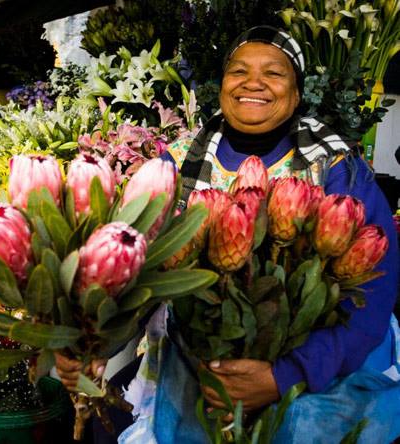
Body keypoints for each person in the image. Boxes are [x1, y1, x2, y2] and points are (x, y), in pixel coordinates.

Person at [55, 26, 400, 443]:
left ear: (296, 91)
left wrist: (282, 377)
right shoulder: (175, 165)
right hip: (192, 359)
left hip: (316, 365)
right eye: (239, 71)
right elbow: (136, 269)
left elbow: (374, 294)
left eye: (273, 73)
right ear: (221, 86)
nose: (253, 82)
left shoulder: (336, 169)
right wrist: (95, 345)